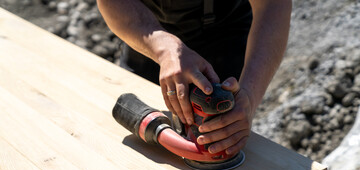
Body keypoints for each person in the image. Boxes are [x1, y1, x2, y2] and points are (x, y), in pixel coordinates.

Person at [97, 0, 292, 156]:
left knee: (227, 138)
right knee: (136, 159)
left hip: (227, 37)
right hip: (144, 34)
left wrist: (249, 95)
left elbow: (272, 5)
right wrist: (164, 49)